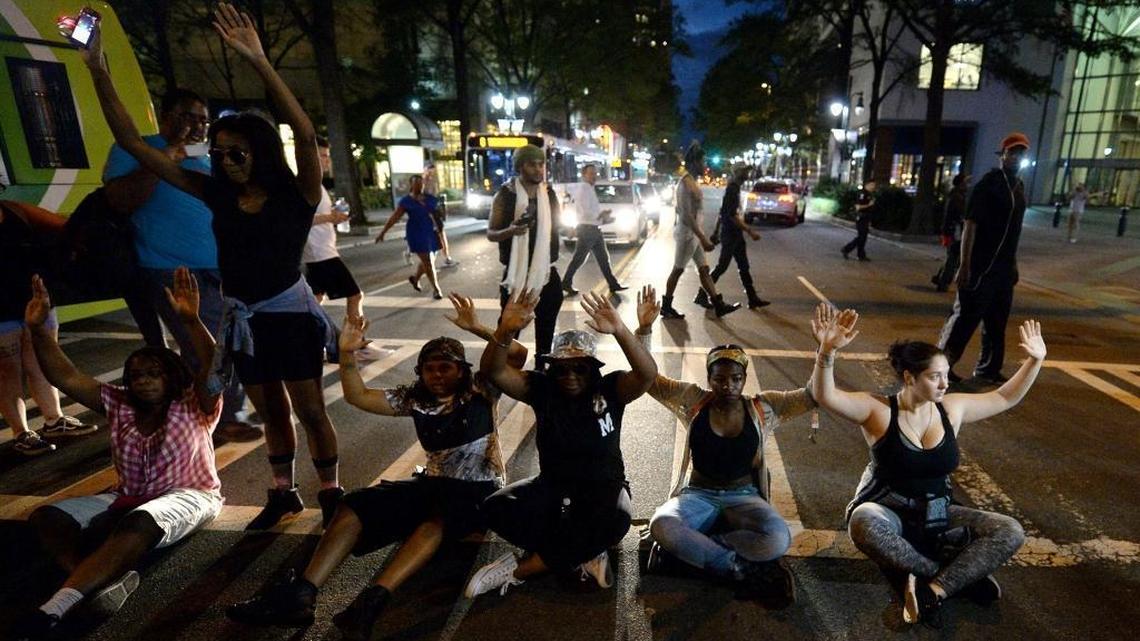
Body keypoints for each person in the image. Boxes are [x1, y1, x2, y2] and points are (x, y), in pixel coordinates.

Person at [82, 4, 343, 530]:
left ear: (262, 152)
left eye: (236, 153)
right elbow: (135, 144)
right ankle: (282, 492)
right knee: (270, 411)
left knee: (310, 409)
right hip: (244, 319)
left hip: (290, 314)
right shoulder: (216, 194)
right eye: (220, 153)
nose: (224, 160)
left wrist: (259, 61)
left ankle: (333, 491)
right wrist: (95, 68)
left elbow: (303, 124)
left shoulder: (298, 194)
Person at [226, 294, 525, 640]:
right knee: (353, 505)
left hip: (479, 492)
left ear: (462, 369)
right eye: (430, 368)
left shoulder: (481, 388)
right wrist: (348, 355)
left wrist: (479, 327)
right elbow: (359, 397)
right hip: (435, 484)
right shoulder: (416, 399)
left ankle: (370, 602)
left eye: (446, 367)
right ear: (421, 372)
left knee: (437, 518)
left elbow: (515, 355)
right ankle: (302, 594)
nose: (438, 375)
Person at [13, 270, 224, 640]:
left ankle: (53, 610)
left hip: (189, 495)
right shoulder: (120, 404)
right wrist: (37, 328)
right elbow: (66, 376)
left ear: (172, 378)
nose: (142, 379)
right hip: (124, 493)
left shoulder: (194, 405)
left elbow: (213, 371)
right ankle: (96, 582)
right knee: (47, 516)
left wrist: (190, 321)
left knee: (139, 521)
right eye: (136, 374)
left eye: (153, 373)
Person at [809, 303, 1039, 627]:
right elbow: (825, 395)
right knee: (861, 523)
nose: (945, 384)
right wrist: (827, 351)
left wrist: (1035, 360)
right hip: (888, 511)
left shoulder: (951, 409)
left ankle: (934, 590)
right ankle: (949, 575)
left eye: (946, 375)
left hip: (936, 512)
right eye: (935, 377)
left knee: (1009, 530)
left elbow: (1004, 397)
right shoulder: (879, 410)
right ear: (909, 377)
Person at [463, 288, 657, 598]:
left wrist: (621, 329)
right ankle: (582, 551)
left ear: (593, 368)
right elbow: (494, 370)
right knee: (494, 508)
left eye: (579, 367)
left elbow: (647, 374)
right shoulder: (541, 389)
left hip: (603, 489)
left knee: (617, 520)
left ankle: (519, 568)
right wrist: (504, 329)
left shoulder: (610, 389)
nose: (570, 375)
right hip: (553, 486)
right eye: (561, 367)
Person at [103, 87, 261, 443]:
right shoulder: (138, 150)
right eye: (189, 117)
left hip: (222, 268)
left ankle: (213, 411)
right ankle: (217, 417)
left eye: (203, 119)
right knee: (203, 345)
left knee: (231, 341)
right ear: (166, 116)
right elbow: (121, 200)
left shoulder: (207, 156)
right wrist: (168, 153)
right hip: (171, 270)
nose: (198, 126)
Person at [637, 296, 813, 608]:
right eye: (719, 379)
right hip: (697, 496)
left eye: (736, 379)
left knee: (778, 539)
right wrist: (644, 330)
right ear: (709, 378)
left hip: (744, 498)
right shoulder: (693, 400)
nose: (728, 386)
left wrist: (827, 350)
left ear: (744, 379)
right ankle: (736, 568)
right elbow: (648, 379)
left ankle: (688, 557)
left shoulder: (762, 407)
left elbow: (814, 397)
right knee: (661, 525)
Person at [1, 202, 97, 456]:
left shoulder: (13, 210)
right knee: (8, 371)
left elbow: (66, 227)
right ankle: (21, 432)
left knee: (43, 361)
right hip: (1, 307)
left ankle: (54, 419)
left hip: (35, 298)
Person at [937, 133, 1030, 385]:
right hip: (980, 266)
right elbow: (970, 225)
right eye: (1012, 153)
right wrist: (965, 265)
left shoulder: (1018, 187)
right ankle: (941, 368)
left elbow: (1014, 233)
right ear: (1003, 156)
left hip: (1003, 269)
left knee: (996, 322)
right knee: (965, 318)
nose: (1016, 157)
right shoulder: (988, 184)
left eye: (1021, 154)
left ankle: (988, 368)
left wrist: (1013, 264)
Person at [486, 144, 564, 358]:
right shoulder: (505, 195)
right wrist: (512, 230)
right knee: (508, 334)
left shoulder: (549, 194)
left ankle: (541, 376)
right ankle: (495, 382)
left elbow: (556, 227)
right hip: (517, 279)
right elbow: (491, 233)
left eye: (541, 164)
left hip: (546, 274)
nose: (539, 169)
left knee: (546, 336)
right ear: (520, 166)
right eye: (532, 164)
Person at [661, 146, 739, 319]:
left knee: (704, 269)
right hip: (687, 236)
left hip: (694, 235)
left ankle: (718, 304)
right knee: (677, 270)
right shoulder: (684, 184)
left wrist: (701, 235)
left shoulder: (693, 182)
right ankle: (666, 306)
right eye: (702, 161)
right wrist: (703, 238)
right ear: (694, 162)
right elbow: (686, 215)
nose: (704, 164)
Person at [303, 136, 364, 320]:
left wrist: (333, 216)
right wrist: (330, 217)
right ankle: (355, 341)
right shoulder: (307, 184)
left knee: (315, 299)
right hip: (322, 253)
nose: (327, 160)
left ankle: (309, 338)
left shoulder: (317, 185)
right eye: (322, 156)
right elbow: (301, 217)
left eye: (327, 155)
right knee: (355, 295)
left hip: (319, 252)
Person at [702, 166, 769, 310]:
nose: (747, 174)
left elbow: (722, 212)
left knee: (743, 266)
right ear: (737, 173)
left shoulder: (735, 188)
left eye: (747, 171)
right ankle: (702, 295)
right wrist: (750, 231)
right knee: (722, 266)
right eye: (744, 171)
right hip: (730, 234)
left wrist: (716, 230)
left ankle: (752, 297)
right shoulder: (732, 189)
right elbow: (731, 214)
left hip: (735, 234)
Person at [561, 163, 627, 296]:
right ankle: (566, 282)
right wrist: (601, 216)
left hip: (593, 229)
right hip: (587, 229)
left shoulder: (589, 189)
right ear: (584, 175)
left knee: (603, 258)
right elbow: (586, 211)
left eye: (595, 173)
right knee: (580, 258)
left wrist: (602, 216)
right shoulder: (584, 189)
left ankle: (613, 284)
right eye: (591, 174)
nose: (594, 176)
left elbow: (591, 210)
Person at [377, 175, 444, 300]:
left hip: (430, 233)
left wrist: (439, 227)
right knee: (428, 262)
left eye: (421, 183)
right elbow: (394, 218)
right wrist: (383, 232)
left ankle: (415, 279)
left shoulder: (429, 198)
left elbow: (438, 213)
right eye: (417, 183)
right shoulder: (406, 201)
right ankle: (436, 289)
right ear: (411, 185)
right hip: (416, 234)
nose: (420, 185)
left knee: (429, 261)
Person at [932, 174, 969, 292]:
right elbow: (958, 215)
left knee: (951, 257)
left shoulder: (955, 195)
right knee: (952, 258)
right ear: (960, 184)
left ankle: (940, 277)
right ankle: (943, 281)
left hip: (951, 231)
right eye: (965, 182)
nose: (967, 185)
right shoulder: (957, 197)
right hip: (954, 231)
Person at [423, 162, 459, 268]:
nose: (431, 173)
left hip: (433, 211)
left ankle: (445, 257)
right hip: (429, 211)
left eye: (432, 170)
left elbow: (435, 195)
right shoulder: (423, 183)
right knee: (438, 234)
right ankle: (440, 258)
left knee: (440, 234)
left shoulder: (432, 181)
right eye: (429, 170)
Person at [842, 180, 876, 261]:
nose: (873, 187)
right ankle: (847, 249)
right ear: (867, 185)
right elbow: (858, 207)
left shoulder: (869, 194)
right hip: (861, 218)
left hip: (866, 218)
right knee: (861, 237)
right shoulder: (862, 194)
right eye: (872, 185)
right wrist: (869, 205)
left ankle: (861, 255)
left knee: (863, 237)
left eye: (874, 185)